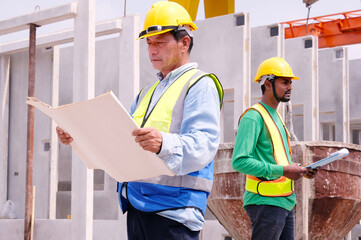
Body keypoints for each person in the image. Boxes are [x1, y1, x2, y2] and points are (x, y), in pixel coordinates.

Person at [57, 1, 223, 239]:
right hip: (138, 206)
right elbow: (121, 141)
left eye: (160, 42)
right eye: (149, 43)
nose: (152, 50)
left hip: (173, 213)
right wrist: (77, 136)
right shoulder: (147, 92)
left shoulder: (200, 84)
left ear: (184, 42)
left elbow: (204, 145)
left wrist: (164, 143)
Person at [232, 57, 316, 240]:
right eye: (285, 82)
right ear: (268, 84)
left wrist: (299, 169)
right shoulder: (253, 117)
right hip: (265, 202)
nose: (290, 87)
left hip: (284, 201)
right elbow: (239, 161)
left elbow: (277, 159)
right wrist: (284, 170)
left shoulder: (277, 117)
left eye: (291, 83)